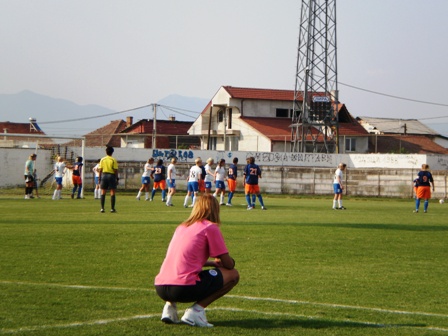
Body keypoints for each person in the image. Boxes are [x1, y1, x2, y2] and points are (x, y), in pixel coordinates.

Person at [154, 195, 239, 327]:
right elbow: (228, 263)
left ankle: (169, 307)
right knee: (233, 274)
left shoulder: (182, 227)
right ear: (215, 210)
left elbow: (183, 258)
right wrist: (230, 262)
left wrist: (210, 263)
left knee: (179, 273)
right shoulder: (210, 227)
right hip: (182, 288)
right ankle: (196, 311)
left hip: (160, 287)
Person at [98, 146, 119, 213]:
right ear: (112, 152)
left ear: (106, 152)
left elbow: (100, 170)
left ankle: (102, 208)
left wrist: (99, 178)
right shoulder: (113, 160)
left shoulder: (102, 159)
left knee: (103, 192)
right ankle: (112, 209)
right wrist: (117, 178)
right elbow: (115, 170)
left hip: (104, 175)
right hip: (111, 175)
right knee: (112, 192)